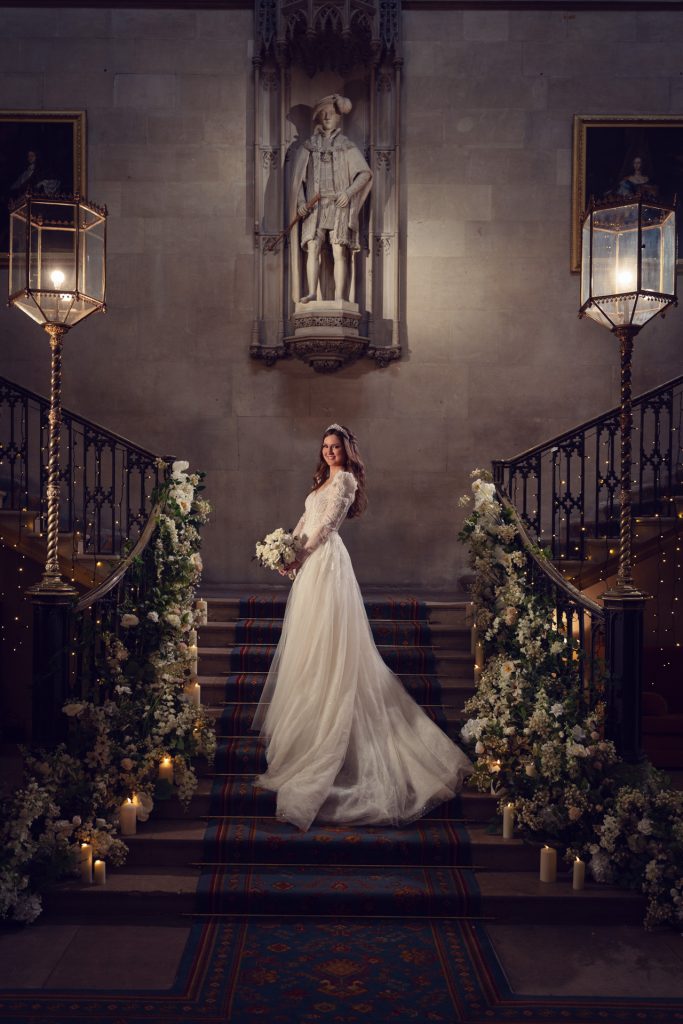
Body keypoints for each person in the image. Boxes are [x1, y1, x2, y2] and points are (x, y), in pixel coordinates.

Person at [251, 424, 472, 832]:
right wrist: (285, 550)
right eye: (325, 446)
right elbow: (305, 519)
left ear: (347, 450)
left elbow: (327, 526)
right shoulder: (322, 481)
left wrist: (300, 555)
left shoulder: (346, 481)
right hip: (309, 566)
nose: (329, 451)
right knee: (310, 643)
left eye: (335, 446)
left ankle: (336, 733)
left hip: (326, 563)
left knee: (331, 643)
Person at [289, 95, 372, 304]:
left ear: (338, 118)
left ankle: (339, 297)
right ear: (318, 117)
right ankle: (312, 293)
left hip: (338, 205)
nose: (327, 117)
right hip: (314, 207)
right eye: (323, 113)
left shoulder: (346, 145)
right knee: (313, 247)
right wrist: (301, 203)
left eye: (332, 113)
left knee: (338, 249)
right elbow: (298, 181)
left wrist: (348, 193)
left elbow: (365, 173)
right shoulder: (308, 146)